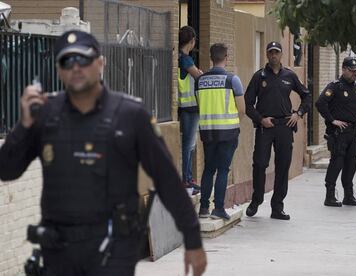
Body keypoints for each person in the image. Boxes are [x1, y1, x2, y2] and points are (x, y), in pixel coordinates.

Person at [0, 30, 206, 276]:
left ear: (100, 63)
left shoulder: (131, 115)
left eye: (83, 60)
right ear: (58, 70)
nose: (76, 67)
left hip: (112, 253)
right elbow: (7, 170)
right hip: (58, 253)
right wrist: (22, 127)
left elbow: (167, 180)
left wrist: (192, 240)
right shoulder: (46, 114)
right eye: (67, 61)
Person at [244, 41, 311, 220]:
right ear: (267, 55)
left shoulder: (290, 75)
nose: (274, 55)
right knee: (259, 164)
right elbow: (248, 104)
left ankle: (277, 206)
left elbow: (307, 96)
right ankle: (256, 200)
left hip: (285, 126)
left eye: (277, 52)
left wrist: (298, 113)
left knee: (283, 166)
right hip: (266, 126)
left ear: (281, 55)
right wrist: (260, 119)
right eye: (271, 52)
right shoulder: (259, 76)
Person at [195, 43, 245, 220]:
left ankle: (203, 209)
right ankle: (218, 209)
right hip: (228, 132)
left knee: (208, 168)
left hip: (207, 131)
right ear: (226, 57)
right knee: (223, 169)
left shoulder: (200, 81)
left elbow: (200, 103)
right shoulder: (232, 80)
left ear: (211, 58)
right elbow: (242, 109)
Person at [316, 57, 356, 208]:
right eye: (351, 71)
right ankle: (330, 196)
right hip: (339, 133)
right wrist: (332, 120)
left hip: (353, 132)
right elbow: (320, 103)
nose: (353, 74)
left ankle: (348, 195)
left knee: (351, 164)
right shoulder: (335, 87)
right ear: (344, 69)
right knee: (337, 163)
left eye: (355, 71)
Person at [178, 26, 203, 195]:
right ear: (192, 41)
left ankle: (188, 178)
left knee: (189, 145)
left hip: (185, 107)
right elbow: (199, 76)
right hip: (190, 107)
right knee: (188, 145)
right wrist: (201, 71)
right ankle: (186, 180)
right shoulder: (185, 59)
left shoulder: (179, 57)